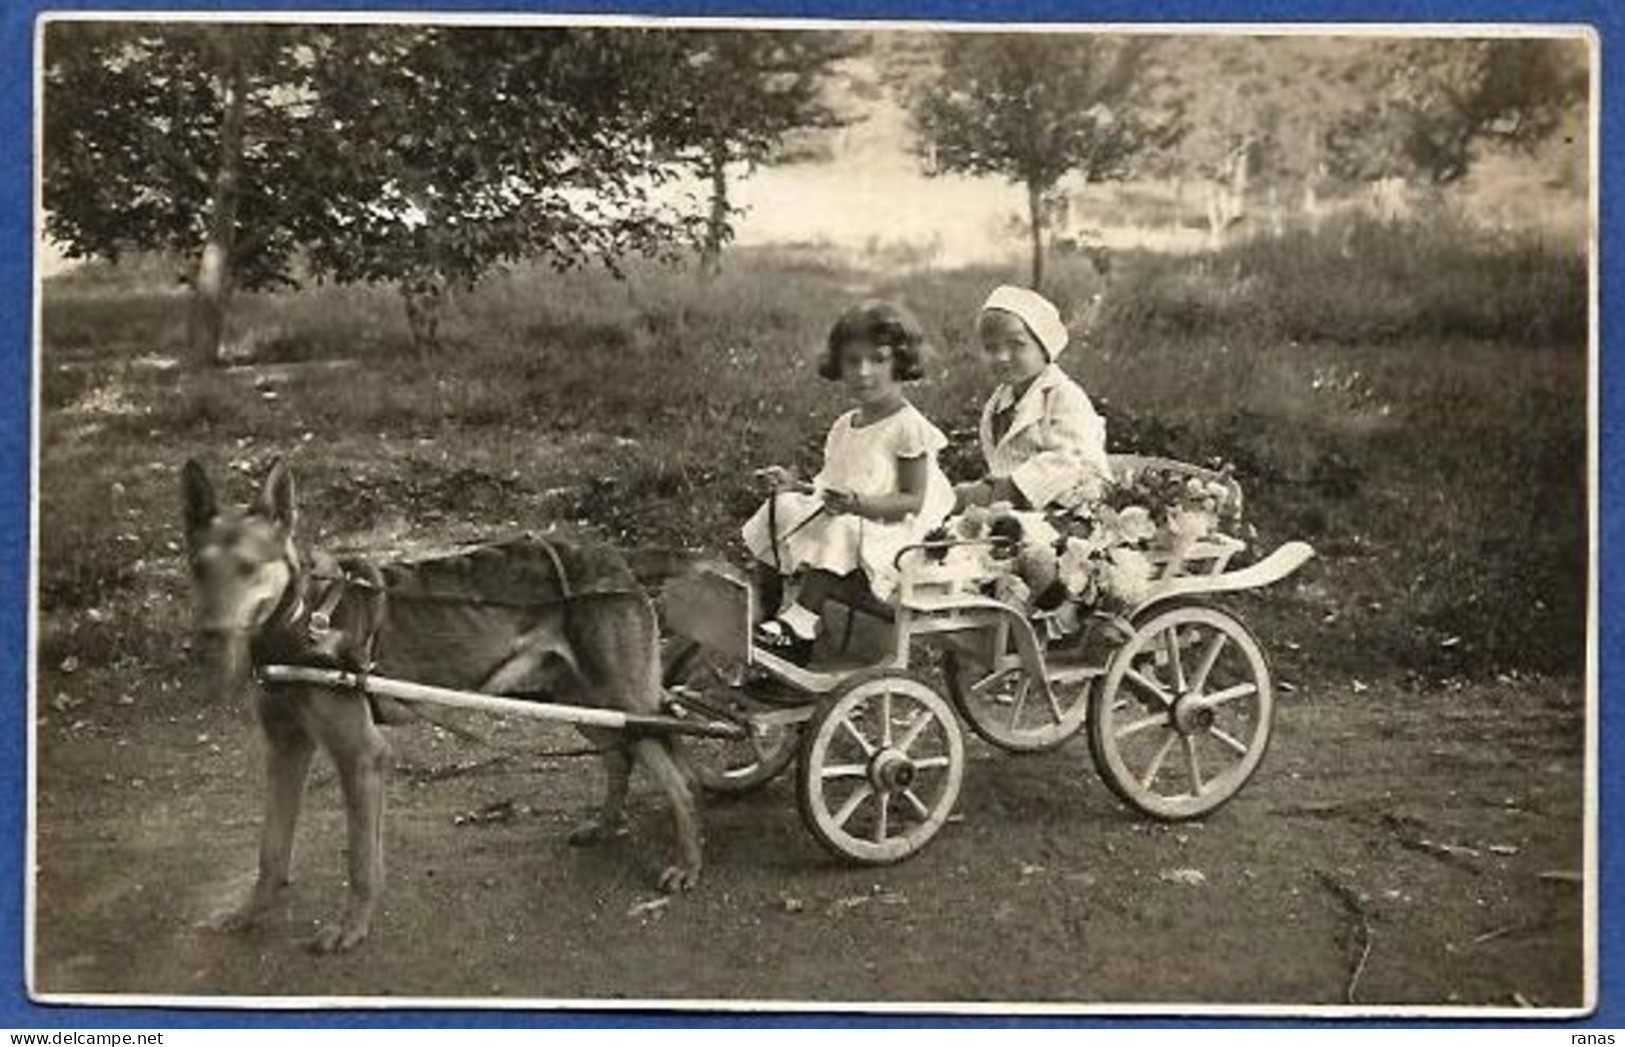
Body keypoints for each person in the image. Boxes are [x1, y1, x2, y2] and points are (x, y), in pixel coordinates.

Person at [742, 300, 955, 666]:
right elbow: (830, 488)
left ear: (900, 363)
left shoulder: (908, 427)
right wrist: (795, 486)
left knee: (839, 528)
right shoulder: (845, 425)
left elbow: (911, 501)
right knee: (782, 508)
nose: (863, 372)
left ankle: (801, 626)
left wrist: (856, 504)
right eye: (852, 361)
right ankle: (766, 602)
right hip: (853, 517)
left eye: (878, 360)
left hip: (894, 534)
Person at [955, 285, 1111, 513]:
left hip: (1075, 508)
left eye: (1016, 345)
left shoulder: (1063, 396)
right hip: (1023, 510)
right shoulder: (999, 402)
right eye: (991, 348)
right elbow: (1005, 461)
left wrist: (998, 491)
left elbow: (1070, 460)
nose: (1002, 357)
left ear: (1044, 348)